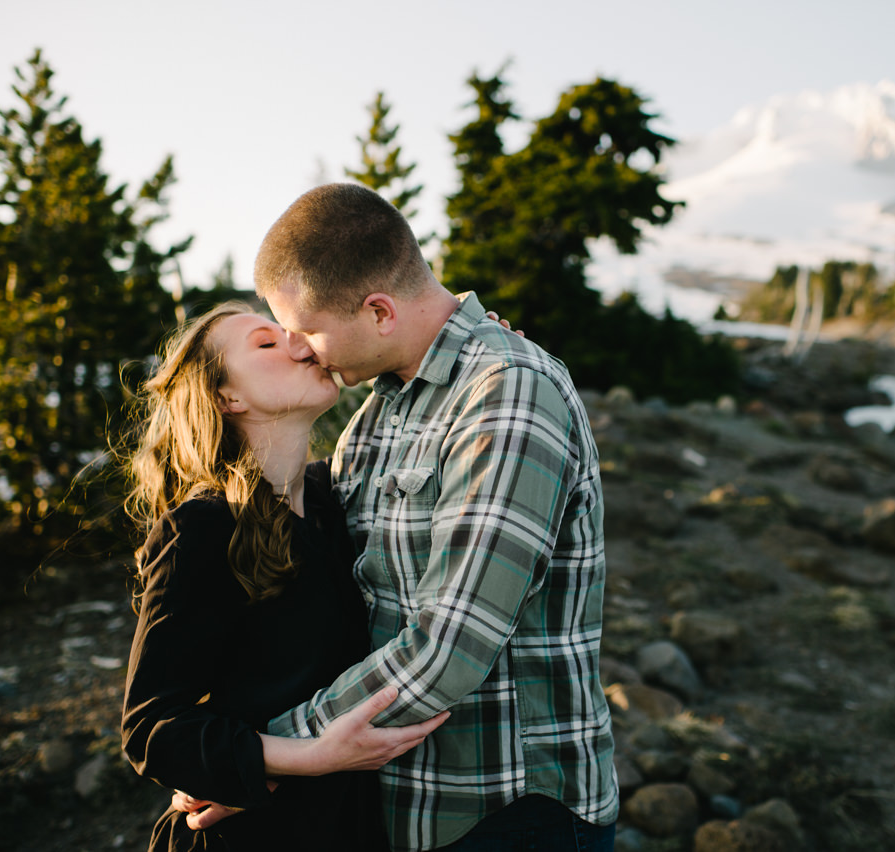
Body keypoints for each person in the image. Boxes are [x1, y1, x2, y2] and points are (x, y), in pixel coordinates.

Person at [241, 182, 619, 850]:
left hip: (507, 813)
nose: (300, 349)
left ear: (380, 311)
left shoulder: (507, 393)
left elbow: (450, 646)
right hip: (407, 805)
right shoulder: (380, 410)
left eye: (307, 331)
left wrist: (271, 753)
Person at [120, 301, 449, 851]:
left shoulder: (335, 501)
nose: (300, 343)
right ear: (228, 397)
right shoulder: (202, 528)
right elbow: (151, 730)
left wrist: (471, 337)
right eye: (266, 344)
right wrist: (306, 757)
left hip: (346, 828)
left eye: (292, 332)